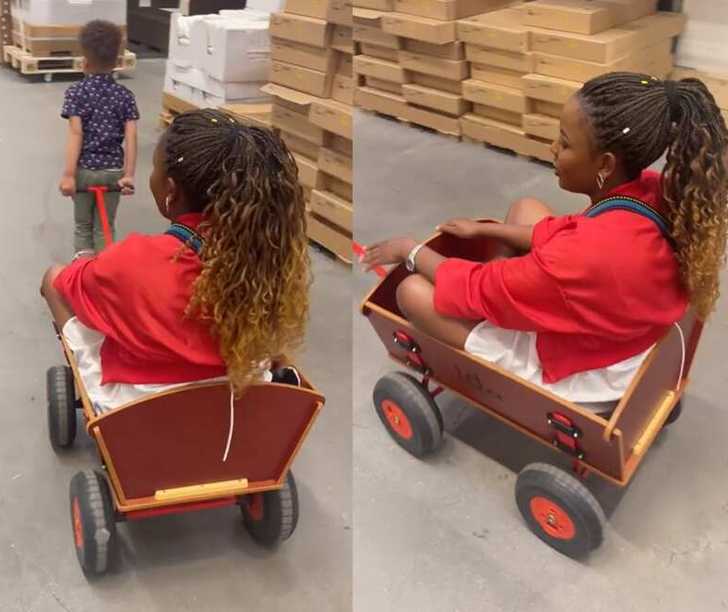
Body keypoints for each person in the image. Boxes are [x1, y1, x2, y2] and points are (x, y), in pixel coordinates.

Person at [362, 72, 728, 408]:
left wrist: (410, 250)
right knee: (526, 208)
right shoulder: (651, 189)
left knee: (409, 291)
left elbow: (477, 286)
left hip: (586, 371)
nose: (553, 149)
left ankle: (496, 327)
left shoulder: (582, 256)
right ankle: (499, 287)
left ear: (605, 165)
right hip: (629, 336)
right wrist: (488, 230)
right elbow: (571, 229)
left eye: (565, 143)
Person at [41, 108, 311, 414]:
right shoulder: (266, 258)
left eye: (154, 167)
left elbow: (72, 282)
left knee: (53, 278)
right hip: (235, 402)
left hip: (142, 411)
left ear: (171, 192)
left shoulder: (132, 260)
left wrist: (89, 263)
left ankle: (90, 393)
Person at [58, 19, 139, 257]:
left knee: (83, 227)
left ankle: (82, 278)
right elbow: (131, 135)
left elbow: (76, 133)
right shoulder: (125, 95)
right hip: (113, 172)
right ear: (118, 62)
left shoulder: (76, 93)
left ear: (84, 62)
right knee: (105, 227)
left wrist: (69, 175)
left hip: (84, 172)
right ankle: (105, 276)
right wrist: (129, 175)